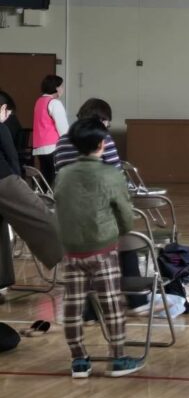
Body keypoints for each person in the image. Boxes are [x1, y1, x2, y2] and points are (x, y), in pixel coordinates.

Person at [53, 118, 143, 379]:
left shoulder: (63, 174)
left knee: (73, 305)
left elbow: (60, 206)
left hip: (71, 250)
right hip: (103, 248)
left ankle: (79, 360)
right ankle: (117, 358)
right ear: (103, 144)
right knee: (112, 304)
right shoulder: (111, 174)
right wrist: (122, 230)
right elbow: (125, 214)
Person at [53, 98, 148, 316]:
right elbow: (117, 176)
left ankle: (88, 309)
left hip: (69, 218)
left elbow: (59, 176)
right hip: (100, 215)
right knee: (127, 243)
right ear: (102, 121)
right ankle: (137, 300)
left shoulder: (61, 142)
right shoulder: (102, 140)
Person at [0, 91, 63, 275]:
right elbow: (12, 157)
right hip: (4, 180)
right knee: (40, 215)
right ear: (3, 108)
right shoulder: (1, 128)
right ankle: (73, 259)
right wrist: (19, 180)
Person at [53, 98, 120, 172]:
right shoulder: (103, 138)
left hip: (65, 182)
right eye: (107, 122)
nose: (107, 125)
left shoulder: (62, 140)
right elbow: (116, 171)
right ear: (101, 120)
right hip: (96, 182)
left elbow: (58, 170)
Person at [32, 74, 69, 186]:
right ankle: (52, 202)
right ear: (57, 88)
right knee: (54, 178)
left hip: (39, 146)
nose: (62, 89)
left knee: (45, 177)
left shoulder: (39, 101)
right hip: (52, 146)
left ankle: (43, 201)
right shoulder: (54, 103)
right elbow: (63, 128)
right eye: (61, 86)